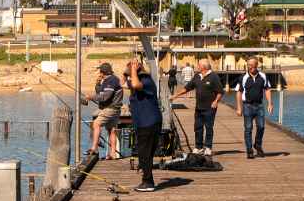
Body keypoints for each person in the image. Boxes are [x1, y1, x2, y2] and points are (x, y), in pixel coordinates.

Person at [123, 59, 163, 192]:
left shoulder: (145, 80)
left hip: (148, 122)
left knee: (144, 153)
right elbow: (122, 83)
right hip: (144, 122)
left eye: (130, 67)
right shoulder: (137, 79)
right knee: (145, 153)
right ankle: (147, 179)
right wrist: (126, 72)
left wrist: (133, 69)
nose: (129, 69)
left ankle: (148, 182)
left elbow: (135, 84)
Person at [170, 57, 223, 156]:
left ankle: (208, 147)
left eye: (198, 65)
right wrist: (175, 96)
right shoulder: (197, 76)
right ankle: (198, 147)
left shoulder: (213, 77)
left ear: (203, 67)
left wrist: (216, 101)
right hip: (199, 107)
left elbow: (220, 91)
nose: (197, 66)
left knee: (208, 127)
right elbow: (187, 88)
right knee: (197, 127)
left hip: (210, 108)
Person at [236, 57, 273, 159]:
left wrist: (270, 103)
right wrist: (239, 108)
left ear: (257, 65)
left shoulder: (263, 76)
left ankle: (257, 144)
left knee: (261, 127)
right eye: (248, 65)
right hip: (247, 106)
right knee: (248, 128)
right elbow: (239, 92)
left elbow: (267, 89)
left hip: (259, 106)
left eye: (252, 65)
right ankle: (249, 150)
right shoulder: (243, 77)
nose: (250, 67)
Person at [84, 63, 123, 159]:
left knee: (96, 124)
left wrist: (90, 97)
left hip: (110, 109)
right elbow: (101, 93)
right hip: (114, 109)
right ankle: (113, 154)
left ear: (103, 72)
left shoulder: (111, 81)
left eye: (100, 71)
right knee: (111, 130)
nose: (99, 73)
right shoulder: (108, 80)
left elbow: (105, 96)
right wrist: (98, 84)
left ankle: (94, 148)